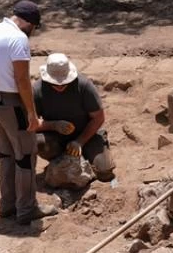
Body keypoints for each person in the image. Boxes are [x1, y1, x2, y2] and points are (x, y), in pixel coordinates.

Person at [0, 0, 57, 225]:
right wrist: (31, 113)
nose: (32, 32)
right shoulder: (19, 39)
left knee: (5, 155)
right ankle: (26, 209)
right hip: (10, 103)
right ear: (28, 23)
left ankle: (7, 206)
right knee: (25, 156)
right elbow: (22, 80)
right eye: (33, 28)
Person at [33, 53, 117, 183]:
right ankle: (61, 160)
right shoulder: (38, 90)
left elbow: (98, 118)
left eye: (64, 82)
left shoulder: (83, 86)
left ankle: (90, 152)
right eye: (55, 83)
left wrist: (80, 141)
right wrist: (53, 125)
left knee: (105, 172)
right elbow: (31, 122)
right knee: (38, 142)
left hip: (87, 135)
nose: (60, 86)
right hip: (55, 138)